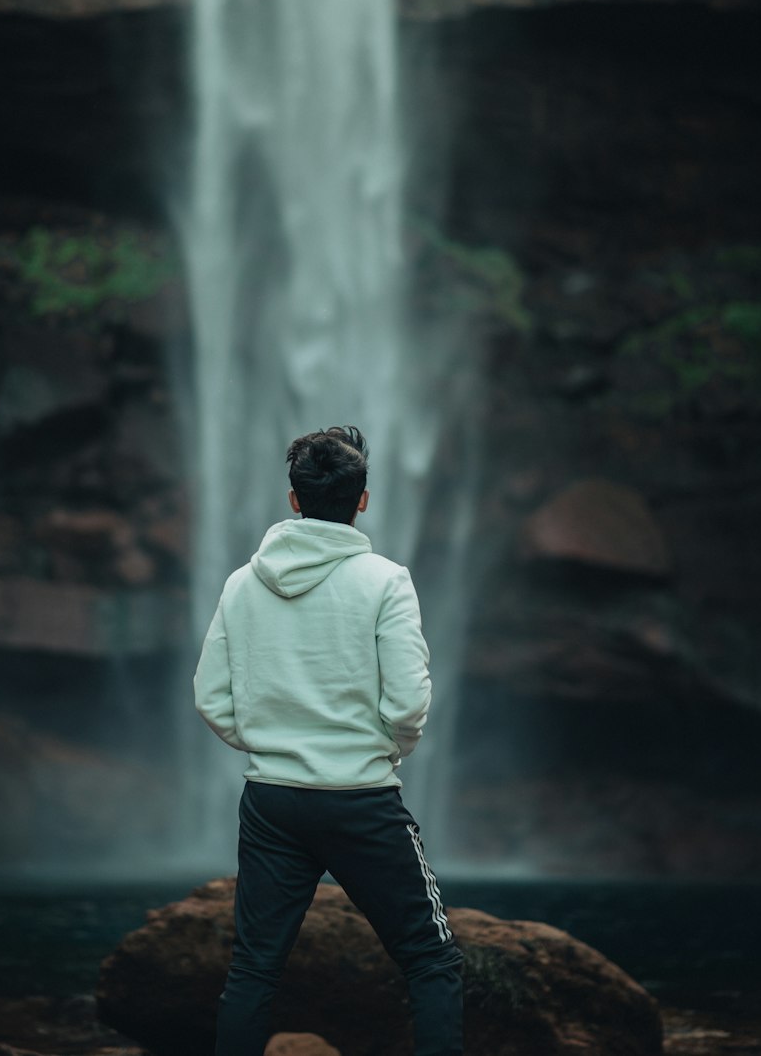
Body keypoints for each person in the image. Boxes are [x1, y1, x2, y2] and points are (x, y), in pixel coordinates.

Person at [193, 425, 463, 1056]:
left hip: (271, 803)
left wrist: (268, 743)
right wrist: (384, 751)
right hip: (360, 799)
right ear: (362, 499)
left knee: (254, 970)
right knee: (432, 960)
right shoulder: (386, 581)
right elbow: (409, 703)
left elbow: (210, 698)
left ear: (293, 499)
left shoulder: (241, 583)